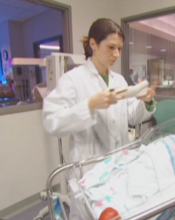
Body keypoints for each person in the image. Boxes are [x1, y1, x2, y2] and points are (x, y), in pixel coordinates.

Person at [42, 18, 156, 219]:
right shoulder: (73, 80)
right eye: (111, 47)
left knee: (117, 213)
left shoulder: (118, 79)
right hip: (89, 172)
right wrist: (89, 105)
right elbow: (52, 121)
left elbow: (131, 115)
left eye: (119, 49)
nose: (116, 54)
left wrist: (145, 102)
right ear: (93, 44)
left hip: (119, 166)